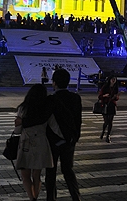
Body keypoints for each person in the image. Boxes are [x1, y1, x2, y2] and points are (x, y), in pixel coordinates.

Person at [15, 84, 63, 201]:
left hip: (26, 143)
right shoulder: (46, 110)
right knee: (36, 175)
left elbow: (17, 130)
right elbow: (55, 127)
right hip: (41, 143)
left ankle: (32, 198)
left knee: (25, 176)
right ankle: (35, 195)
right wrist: (65, 138)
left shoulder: (23, 108)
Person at [45, 69, 82, 201]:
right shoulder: (76, 98)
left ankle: (51, 198)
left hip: (53, 142)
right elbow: (78, 120)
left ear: (54, 83)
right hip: (69, 141)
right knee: (68, 171)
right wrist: (74, 138)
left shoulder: (50, 99)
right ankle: (76, 197)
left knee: (51, 172)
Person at [98, 76, 120, 143]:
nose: (113, 80)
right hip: (105, 104)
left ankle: (108, 135)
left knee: (110, 121)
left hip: (112, 105)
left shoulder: (115, 88)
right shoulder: (105, 87)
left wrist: (116, 97)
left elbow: (116, 99)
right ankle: (103, 131)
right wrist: (104, 96)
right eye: (112, 79)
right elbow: (99, 96)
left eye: (115, 79)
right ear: (109, 80)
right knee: (106, 121)